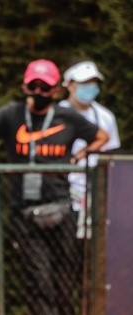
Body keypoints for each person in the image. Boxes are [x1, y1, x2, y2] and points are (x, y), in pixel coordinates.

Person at [0, 59, 109, 314]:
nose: (39, 92)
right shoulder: (12, 113)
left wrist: (80, 156)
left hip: (61, 206)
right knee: (38, 280)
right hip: (24, 211)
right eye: (33, 86)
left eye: (45, 88)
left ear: (56, 90)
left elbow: (102, 136)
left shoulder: (67, 117)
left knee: (65, 280)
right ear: (25, 87)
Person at [59, 60, 121, 238]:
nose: (90, 88)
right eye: (85, 83)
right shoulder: (56, 115)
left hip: (95, 197)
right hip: (63, 195)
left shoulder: (106, 117)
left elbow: (111, 155)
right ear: (70, 85)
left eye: (94, 83)